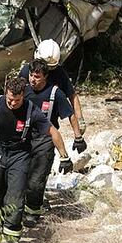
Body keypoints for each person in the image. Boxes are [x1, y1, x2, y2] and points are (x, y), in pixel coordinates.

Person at [0, 77, 72, 243]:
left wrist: (64, 156)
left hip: (20, 155)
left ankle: (12, 232)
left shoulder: (32, 111)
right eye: (10, 99)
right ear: (5, 93)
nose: (12, 104)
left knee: (16, 195)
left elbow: (52, 132)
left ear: (23, 96)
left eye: (17, 100)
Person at [23, 59, 87, 227]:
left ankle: (33, 212)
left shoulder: (55, 93)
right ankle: (21, 207)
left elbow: (70, 112)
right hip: (24, 138)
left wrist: (78, 136)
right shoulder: (23, 87)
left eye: (37, 77)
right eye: (31, 76)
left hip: (46, 139)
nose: (32, 79)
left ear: (46, 76)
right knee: (20, 176)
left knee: (36, 180)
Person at [18, 39, 86, 135]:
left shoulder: (59, 73)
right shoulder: (27, 71)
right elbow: (14, 93)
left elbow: (72, 96)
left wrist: (80, 119)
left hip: (49, 125)